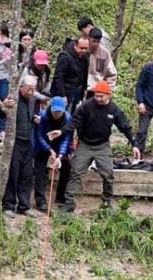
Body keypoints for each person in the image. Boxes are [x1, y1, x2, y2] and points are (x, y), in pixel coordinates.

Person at [52, 80, 140, 213]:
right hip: (85, 144)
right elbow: (74, 121)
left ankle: (106, 202)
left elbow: (125, 127)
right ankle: (69, 202)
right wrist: (62, 131)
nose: (98, 98)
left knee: (108, 174)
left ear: (108, 95)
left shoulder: (114, 109)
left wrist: (134, 144)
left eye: (101, 96)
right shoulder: (87, 106)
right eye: (96, 95)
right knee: (75, 173)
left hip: (102, 146)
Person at [1, 75, 39, 218]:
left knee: (27, 175)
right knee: (13, 173)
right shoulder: (13, 99)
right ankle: (8, 205)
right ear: (21, 87)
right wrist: (5, 106)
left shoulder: (33, 100)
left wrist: (37, 119)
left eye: (33, 90)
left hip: (29, 141)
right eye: (28, 89)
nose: (30, 92)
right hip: (15, 141)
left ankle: (24, 205)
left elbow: (34, 116)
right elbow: (0, 113)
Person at [33, 96, 73, 211]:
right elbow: (39, 135)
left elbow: (67, 139)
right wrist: (49, 150)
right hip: (43, 144)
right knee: (40, 171)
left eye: (59, 112)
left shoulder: (68, 118)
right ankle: (40, 201)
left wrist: (60, 155)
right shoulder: (43, 116)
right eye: (54, 111)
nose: (56, 114)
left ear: (63, 110)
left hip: (60, 144)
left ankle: (61, 197)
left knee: (66, 168)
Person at [50, 36, 89, 113]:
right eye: (81, 48)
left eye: (86, 48)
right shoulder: (65, 56)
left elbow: (84, 75)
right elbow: (58, 77)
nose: (84, 50)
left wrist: (84, 90)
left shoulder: (85, 57)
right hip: (64, 92)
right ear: (75, 45)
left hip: (76, 92)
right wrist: (62, 95)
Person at [87, 27, 117, 96]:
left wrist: (109, 90)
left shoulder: (105, 53)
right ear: (89, 38)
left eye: (98, 41)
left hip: (97, 90)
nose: (96, 44)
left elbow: (112, 74)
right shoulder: (83, 49)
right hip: (81, 89)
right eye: (94, 41)